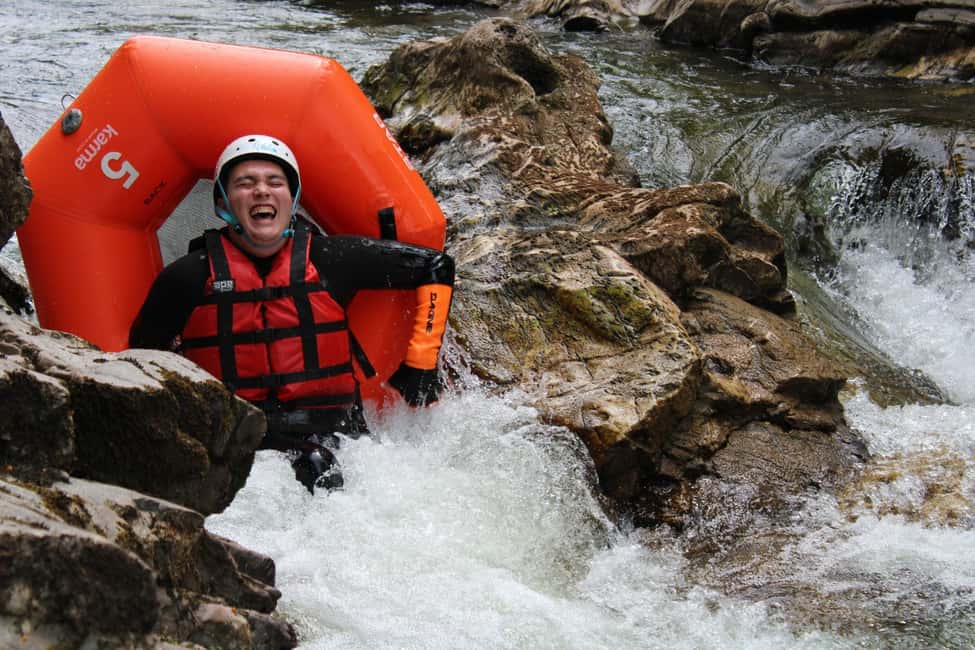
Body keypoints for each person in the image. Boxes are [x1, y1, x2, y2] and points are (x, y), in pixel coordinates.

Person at [129, 134, 454, 493]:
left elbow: (436, 267)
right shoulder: (187, 278)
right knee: (311, 464)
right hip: (240, 443)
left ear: (292, 198)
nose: (261, 191)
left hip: (338, 439)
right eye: (245, 183)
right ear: (223, 201)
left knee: (318, 464)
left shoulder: (331, 259)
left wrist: (421, 365)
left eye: (275, 182)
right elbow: (141, 360)